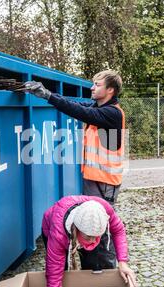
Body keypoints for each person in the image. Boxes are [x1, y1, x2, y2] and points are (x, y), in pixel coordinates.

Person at [24, 70, 125, 205]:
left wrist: (48, 96)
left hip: (105, 182)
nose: (92, 88)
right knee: (92, 220)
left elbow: (79, 111)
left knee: (102, 220)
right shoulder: (97, 107)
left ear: (110, 90)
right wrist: (49, 94)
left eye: (97, 85)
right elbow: (72, 105)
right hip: (94, 178)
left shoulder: (112, 113)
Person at [41, 195, 136, 287]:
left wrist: (122, 263)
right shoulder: (58, 233)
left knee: (93, 266)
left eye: (97, 236)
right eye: (89, 237)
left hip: (84, 227)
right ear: (76, 229)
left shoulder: (104, 209)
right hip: (53, 227)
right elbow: (54, 272)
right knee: (63, 271)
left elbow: (118, 230)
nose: (93, 241)